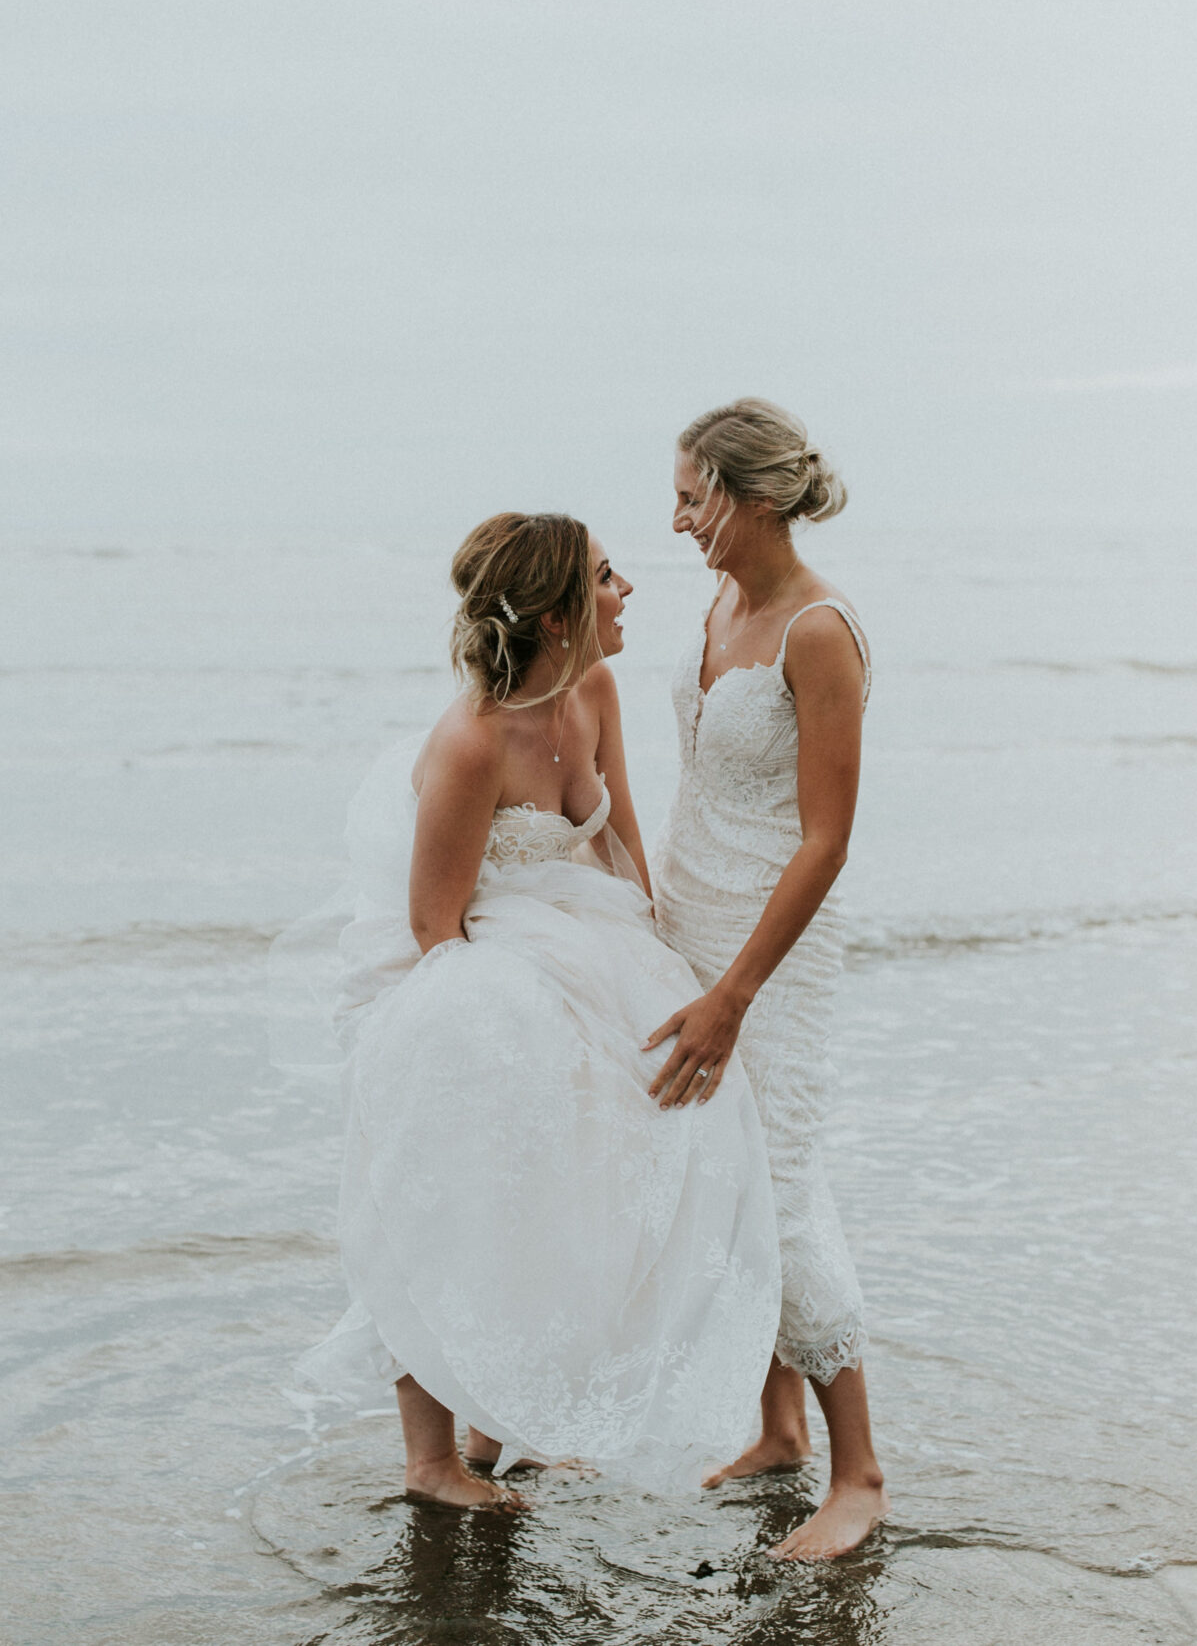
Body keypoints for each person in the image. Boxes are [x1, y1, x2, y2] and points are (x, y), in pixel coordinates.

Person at [293, 511, 781, 1507]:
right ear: (558, 615)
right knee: (452, 1196)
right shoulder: (473, 743)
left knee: (598, 1173)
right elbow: (435, 926)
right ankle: (432, 1465)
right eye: (607, 578)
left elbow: (619, 839)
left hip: (577, 937)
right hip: (466, 974)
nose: (627, 592)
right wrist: (522, 1037)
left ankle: (508, 1413)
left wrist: (660, 968)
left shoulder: (593, 689)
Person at [646, 398, 888, 1558]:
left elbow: (826, 839)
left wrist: (736, 992)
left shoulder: (818, 630)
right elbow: (696, 781)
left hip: (772, 953)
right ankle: (777, 1427)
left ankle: (861, 1473)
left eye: (694, 495)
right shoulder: (720, 600)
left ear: (751, 499)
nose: (679, 516)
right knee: (721, 1177)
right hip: (693, 923)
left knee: (779, 1188)